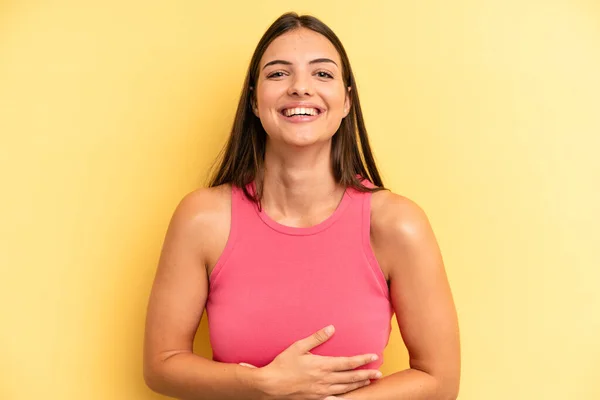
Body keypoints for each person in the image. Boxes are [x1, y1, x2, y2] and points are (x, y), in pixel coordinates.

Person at [143, 11, 460, 400]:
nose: (300, 88)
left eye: (322, 74)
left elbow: (439, 381)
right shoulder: (203, 219)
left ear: (346, 101)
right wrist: (262, 384)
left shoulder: (397, 223)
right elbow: (162, 365)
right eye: (278, 74)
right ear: (255, 103)